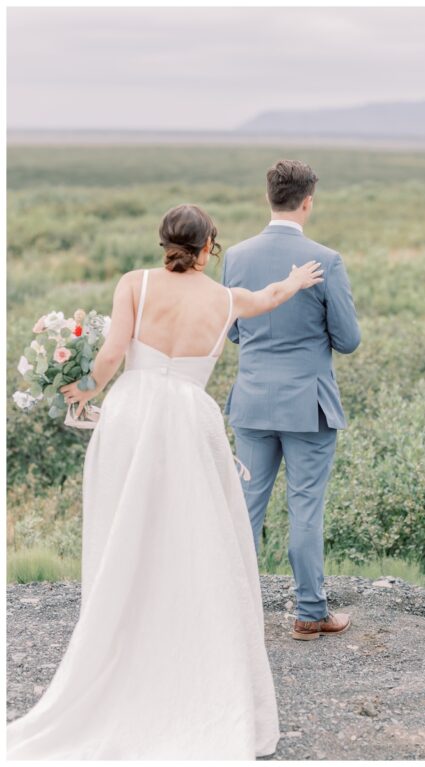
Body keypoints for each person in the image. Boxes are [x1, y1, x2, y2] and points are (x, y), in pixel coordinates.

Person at [8, 204, 324, 759]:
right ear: (208, 248)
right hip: (190, 421)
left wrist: (84, 391)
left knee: (126, 525)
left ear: (165, 243)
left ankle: (125, 630)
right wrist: (296, 279)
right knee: (194, 536)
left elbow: (110, 354)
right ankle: (190, 648)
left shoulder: (137, 283)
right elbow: (269, 298)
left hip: (132, 413)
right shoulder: (226, 299)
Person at [223, 159, 361, 640]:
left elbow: (235, 331)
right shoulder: (326, 259)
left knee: (245, 507)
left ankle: (229, 609)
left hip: (253, 403)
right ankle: (309, 612)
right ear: (308, 201)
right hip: (308, 406)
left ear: (269, 198)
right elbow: (347, 340)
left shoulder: (235, 257)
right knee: (305, 509)